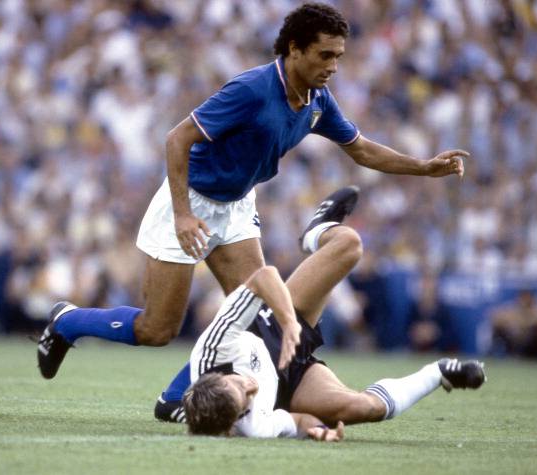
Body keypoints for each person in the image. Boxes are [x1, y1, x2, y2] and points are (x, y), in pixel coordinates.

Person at [37, 3, 467, 383]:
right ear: (295, 49)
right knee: (158, 330)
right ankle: (68, 322)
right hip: (190, 200)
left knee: (255, 318)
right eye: (325, 55)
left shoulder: (317, 99)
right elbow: (177, 139)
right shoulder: (252, 90)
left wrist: (423, 167)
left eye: (338, 56)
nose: (334, 66)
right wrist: (183, 215)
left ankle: (176, 397)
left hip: (238, 205)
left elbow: (361, 149)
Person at [156, 187, 486, 440]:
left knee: (349, 245)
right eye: (246, 401)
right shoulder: (254, 427)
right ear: (233, 424)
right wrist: (319, 432)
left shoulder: (212, 350)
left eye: (238, 385)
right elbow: (298, 421)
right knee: (365, 408)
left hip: (272, 329)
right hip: (290, 384)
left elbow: (263, 277)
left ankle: (317, 231)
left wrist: (288, 320)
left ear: (216, 376)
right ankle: (440, 372)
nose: (251, 387)